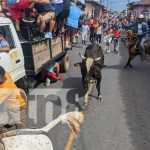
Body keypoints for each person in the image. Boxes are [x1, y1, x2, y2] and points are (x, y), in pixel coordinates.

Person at [0, 66, 26, 134]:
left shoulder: (5, 90)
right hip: (9, 105)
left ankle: (20, 138)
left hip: (20, 107)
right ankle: (9, 136)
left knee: (20, 129)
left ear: (1, 76)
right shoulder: (6, 74)